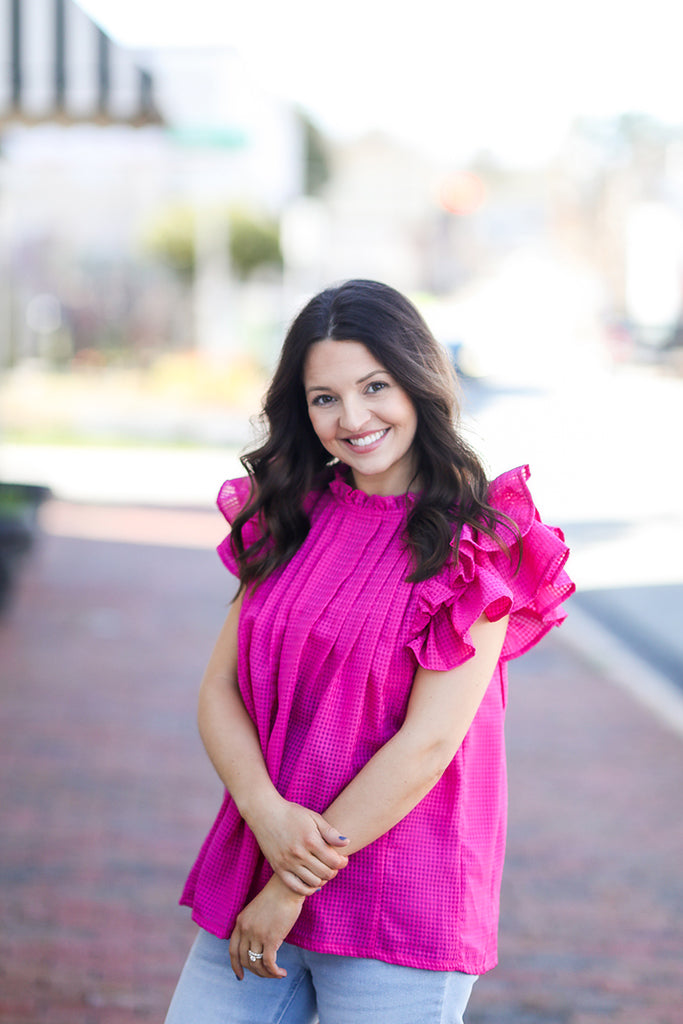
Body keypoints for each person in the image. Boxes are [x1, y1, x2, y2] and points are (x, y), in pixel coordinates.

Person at [164, 279, 574, 1024]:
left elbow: (428, 744)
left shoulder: (480, 537)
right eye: (324, 397)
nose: (352, 418)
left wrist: (291, 883)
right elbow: (218, 690)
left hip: (400, 899)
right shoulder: (285, 514)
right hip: (260, 860)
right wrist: (267, 817)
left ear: (418, 382)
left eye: (374, 386)